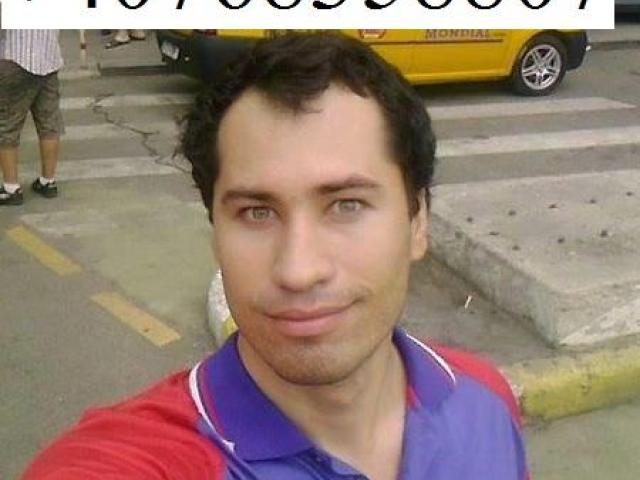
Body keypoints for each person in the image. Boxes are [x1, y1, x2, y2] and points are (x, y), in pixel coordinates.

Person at [22, 32, 528, 479]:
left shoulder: (486, 401)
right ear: (215, 232)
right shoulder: (144, 459)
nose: (298, 270)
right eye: (256, 212)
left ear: (418, 221)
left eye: (347, 205)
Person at [0, 29, 64, 206]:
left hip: (15, 58)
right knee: (49, 123)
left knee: (7, 124)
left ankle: (11, 188)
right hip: (49, 58)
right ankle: (48, 180)